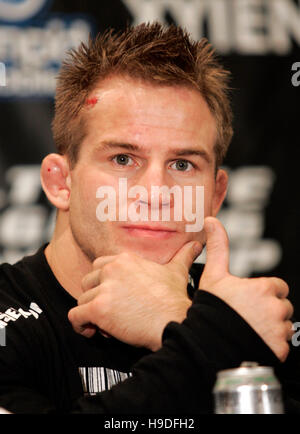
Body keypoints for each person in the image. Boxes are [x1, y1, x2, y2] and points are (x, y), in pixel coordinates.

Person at [0, 22, 299, 414]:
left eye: (182, 163)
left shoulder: (261, 321)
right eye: (123, 159)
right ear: (61, 182)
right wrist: (210, 342)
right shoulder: (10, 323)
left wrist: (174, 322)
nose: (155, 192)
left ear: (216, 194)